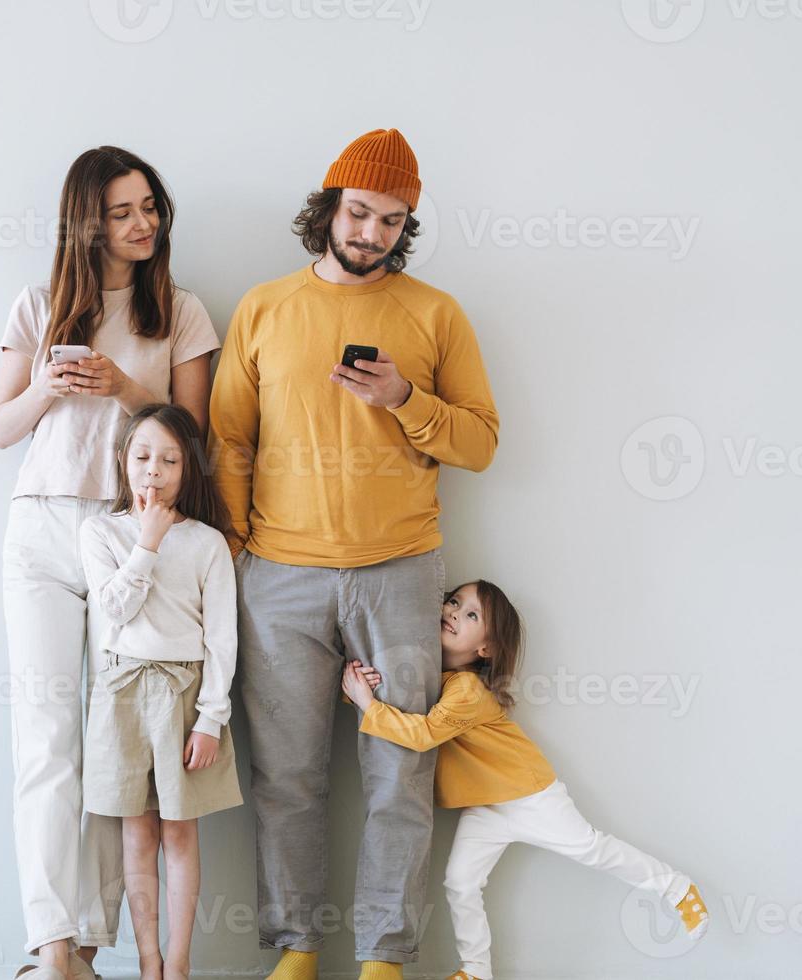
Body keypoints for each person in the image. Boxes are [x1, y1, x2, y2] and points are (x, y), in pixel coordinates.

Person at [209, 128, 499, 980]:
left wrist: (407, 400)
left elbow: (481, 442)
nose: (370, 232)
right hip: (278, 578)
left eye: (391, 220)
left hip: (401, 573)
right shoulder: (265, 307)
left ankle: (384, 961)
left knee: (398, 778)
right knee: (288, 778)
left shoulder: (435, 313)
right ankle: (297, 951)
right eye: (360, 211)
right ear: (330, 206)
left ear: (406, 226)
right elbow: (228, 439)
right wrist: (233, 554)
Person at [0, 146, 219, 980]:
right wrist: (53, 384)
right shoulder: (39, 303)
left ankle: (90, 941)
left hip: (135, 533)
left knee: (115, 741)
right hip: (43, 530)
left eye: (151, 207)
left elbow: (192, 439)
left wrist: (126, 387)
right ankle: (53, 946)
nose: (143, 223)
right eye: (124, 211)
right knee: (45, 737)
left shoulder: (182, 313)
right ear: (87, 218)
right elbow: (1, 427)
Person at [341, 581, 710, 980]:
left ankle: (677, 888)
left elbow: (422, 733)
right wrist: (364, 689)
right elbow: (404, 710)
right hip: (485, 805)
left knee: (591, 848)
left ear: (486, 648)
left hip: (529, 795)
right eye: (453, 602)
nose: (452, 612)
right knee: (460, 883)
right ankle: (477, 971)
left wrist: (366, 703)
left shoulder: (466, 689)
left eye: (471, 615)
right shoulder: (433, 679)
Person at [79, 404, 243, 980]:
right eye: (143, 455)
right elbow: (116, 611)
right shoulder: (100, 532)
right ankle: (148, 962)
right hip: (122, 691)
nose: (154, 469)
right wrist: (146, 542)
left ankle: (178, 965)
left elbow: (223, 638)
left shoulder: (206, 543)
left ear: (187, 469)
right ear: (124, 459)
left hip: (184, 694)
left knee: (179, 831)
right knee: (136, 833)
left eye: (170, 459)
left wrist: (210, 719)